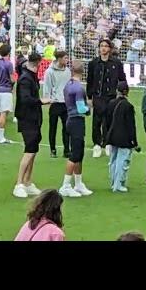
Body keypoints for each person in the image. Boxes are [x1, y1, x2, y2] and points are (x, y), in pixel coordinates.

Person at [13, 53, 52, 198]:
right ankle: (19, 184)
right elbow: (26, 99)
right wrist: (41, 101)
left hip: (34, 117)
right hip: (27, 118)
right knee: (29, 150)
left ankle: (27, 182)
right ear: (38, 63)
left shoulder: (30, 76)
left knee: (33, 150)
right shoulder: (25, 79)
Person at [86, 38, 126, 158]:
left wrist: (123, 92)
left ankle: (108, 143)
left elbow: (122, 79)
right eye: (101, 46)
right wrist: (89, 97)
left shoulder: (116, 63)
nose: (103, 48)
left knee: (109, 120)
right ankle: (97, 144)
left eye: (106, 46)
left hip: (111, 96)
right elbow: (90, 81)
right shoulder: (93, 63)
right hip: (98, 95)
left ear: (110, 49)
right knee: (97, 121)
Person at [58, 60, 93, 197]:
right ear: (83, 72)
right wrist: (89, 107)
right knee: (75, 154)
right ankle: (66, 185)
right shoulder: (78, 88)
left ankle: (78, 184)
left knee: (79, 153)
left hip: (71, 119)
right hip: (76, 120)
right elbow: (81, 108)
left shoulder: (68, 85)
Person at [105, 81, 138, 193]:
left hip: (112, 135)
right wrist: (134, 141)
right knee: (122, 160)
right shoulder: (128, 106)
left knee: (113, 159)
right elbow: (131, 126)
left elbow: (107, 121)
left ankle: (113, 182)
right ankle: (118, 184)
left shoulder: (111, 103)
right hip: (124, 138)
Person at [43, 50, 71, 158]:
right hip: (55, 103)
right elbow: (47, 86)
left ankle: (66, 150)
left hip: (65, 103)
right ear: (59, 59)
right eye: (65, 58)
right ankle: (52, 149)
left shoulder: (67, 71)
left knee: (66, 128)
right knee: (53, 127)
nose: (67, 60)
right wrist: (47, 100)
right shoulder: (49, 72)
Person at [0, 44, 14, 144]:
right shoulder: (8, 64)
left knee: (0, 112)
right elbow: (12, 79)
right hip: (6, 90)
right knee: (4, 113)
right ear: (8, 52)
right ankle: (0, 138)